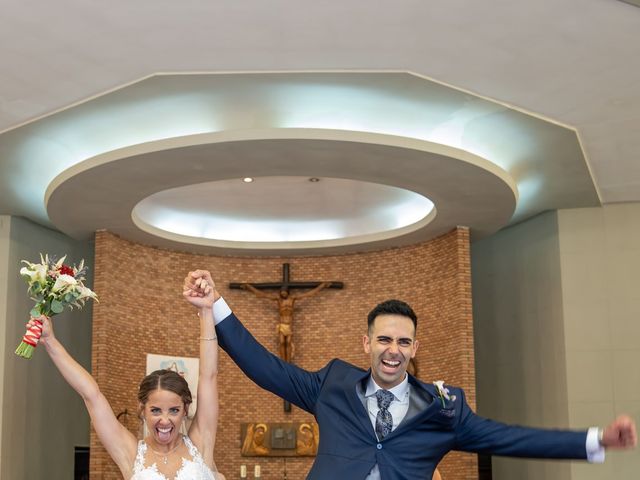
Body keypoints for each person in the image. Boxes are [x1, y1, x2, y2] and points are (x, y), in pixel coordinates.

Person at [184, 270, 637, 480]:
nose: (392, 351)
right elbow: (265, 368)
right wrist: (215, 305)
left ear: (415, 349)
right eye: (384, 340)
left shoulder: (446, 407)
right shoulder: (333, 386)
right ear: (367, 344)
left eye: (403, 342)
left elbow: (510, 438)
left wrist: (595, 440)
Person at [30, 277, 223, 480]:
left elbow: (208, 376)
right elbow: (91, 395)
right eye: (156, 410)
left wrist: (206, 311)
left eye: (173, 410)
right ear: (142, 409)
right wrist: (51, 342)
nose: (164, 420)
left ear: (185, 409)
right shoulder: (131, 453)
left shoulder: (201, 442)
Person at [241, 282, 331, 362]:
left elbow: (309, 294)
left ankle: (288, 361)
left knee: (288, 343)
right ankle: (283, 360)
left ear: (287, 291)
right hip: (282, 324)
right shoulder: (278, 300)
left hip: (289, 325)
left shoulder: (292, 299)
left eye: (284, 291)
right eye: (281, 291)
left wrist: (322, 286)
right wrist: (249, 287)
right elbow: (263, 295)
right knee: (281, 342)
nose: (282, 292)